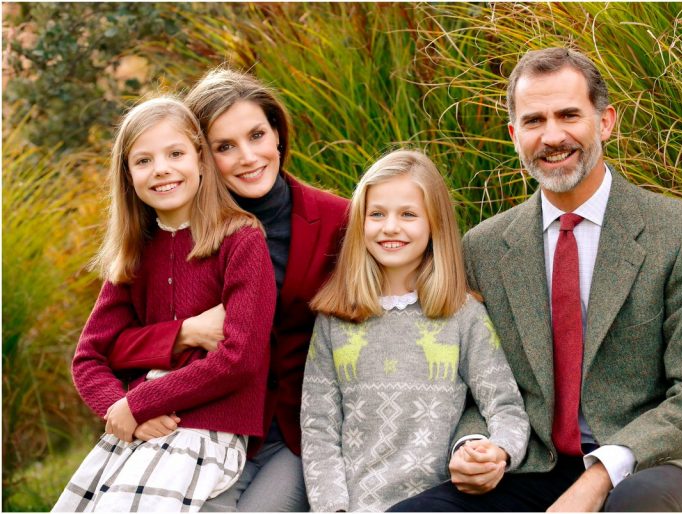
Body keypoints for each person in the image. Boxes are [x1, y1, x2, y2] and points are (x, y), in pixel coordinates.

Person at [389, 47, 682, 512]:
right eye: (534, 121)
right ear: (515, 135)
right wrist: (474, 445)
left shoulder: (680, 234)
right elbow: (476, 385)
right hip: (533, 462)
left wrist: (599, 477)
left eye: (569, 115)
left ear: (606, 122)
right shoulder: (485, 247)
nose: (552, 136)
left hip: (658, 462)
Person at [103, 69, 349, 511]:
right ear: (201, 155)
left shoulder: (338, 221)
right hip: (199, 429)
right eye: (225, 147)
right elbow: (107, 345)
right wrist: (184, 332)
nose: (249, 157)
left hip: (297, 433)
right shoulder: (171, 234)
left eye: (257, 135)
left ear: (278, 134)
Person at [52, 97, 276, 512]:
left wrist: (137, 403)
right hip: (145, 429)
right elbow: (88, 358)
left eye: (175, 153)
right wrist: (124, 413)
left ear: (201, 160)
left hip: (209, 430)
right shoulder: (135, 253)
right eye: (143, 160)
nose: (161, 169)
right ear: (128, 175)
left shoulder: (241, 241)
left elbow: (239, 359)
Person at [301, 149, 530, 512]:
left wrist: (498, 451)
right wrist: (333, 509)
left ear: (434, 224)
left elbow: (505, 406)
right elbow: (319, 430)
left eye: (408, 214)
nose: (390, 227)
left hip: (439, 501)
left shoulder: (463, 314)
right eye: (376, 214)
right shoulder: (335, 319)